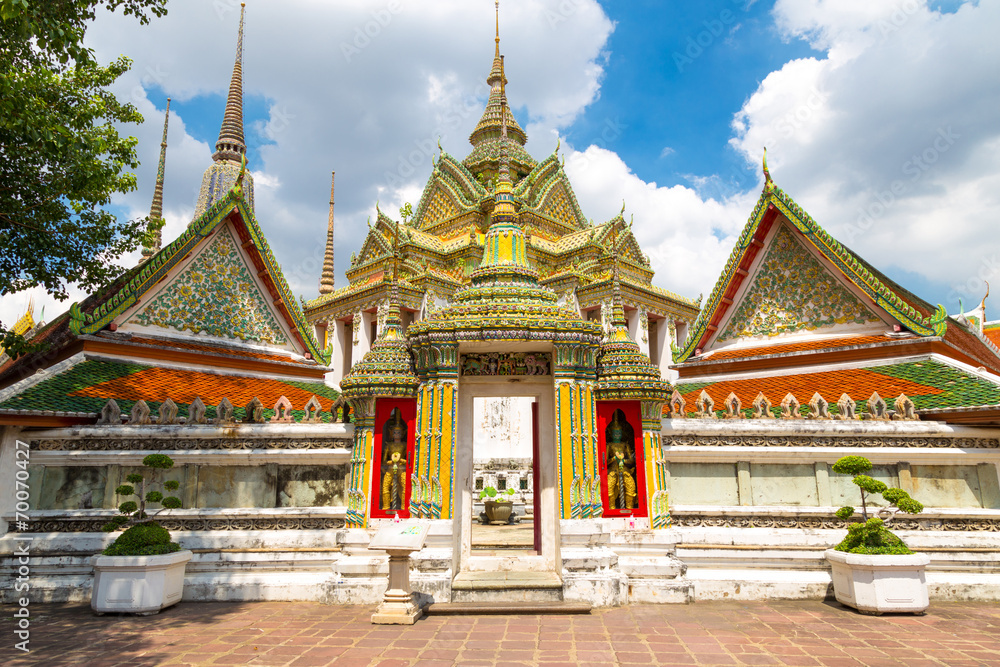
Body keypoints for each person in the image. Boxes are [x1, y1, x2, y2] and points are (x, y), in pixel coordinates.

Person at [606, 411, 637, 510]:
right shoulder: (609, 445)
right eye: (615, 433)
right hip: (613, 470)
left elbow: (632, 461)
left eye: (619, 433)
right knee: (609, 491)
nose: (617, 435)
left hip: (624, 470)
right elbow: (605, 461)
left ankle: (630, 509)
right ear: (611, 433)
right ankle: (611, 509)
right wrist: (614, 458)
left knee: (631, 489)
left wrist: (624, 461)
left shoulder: (625, 445)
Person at [380, 410, 408, 510]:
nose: (397, 434)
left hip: (401, 468)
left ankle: (404, 507)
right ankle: (386, 507)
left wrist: (402, 461)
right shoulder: (389, 445)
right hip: (390, 468)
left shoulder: (404, 445)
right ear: (392, 433)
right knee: (385, 488)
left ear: (402, 433)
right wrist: (390, 462)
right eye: (395, 432)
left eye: (399, 432)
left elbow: (409, 459)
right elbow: (383, 461)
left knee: (405, 488)